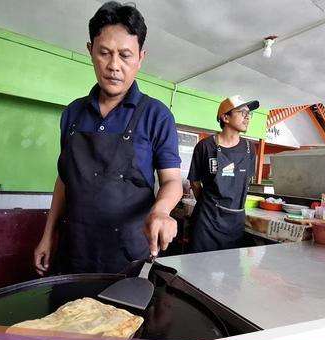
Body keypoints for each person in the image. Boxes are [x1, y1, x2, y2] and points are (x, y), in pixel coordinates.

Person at [34, 1, 182, 275]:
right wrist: (48, 234)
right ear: (90, 52)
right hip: (74, 251)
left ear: (141, 57)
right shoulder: (73, 114)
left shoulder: (156, 115)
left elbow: (172, 181)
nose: (114, 65)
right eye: (105, 53)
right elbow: (64, 180)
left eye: (125, 55)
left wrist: (161, 211)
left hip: (127, 256)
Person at [187, 95, 259, 253]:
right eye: (242, 112)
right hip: (207, 221)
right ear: (225, 117)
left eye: (249, 113)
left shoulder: (250, 149)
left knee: (230, 269)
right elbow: (194, 182)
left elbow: (245, 184)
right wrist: (211, 207)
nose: (247, 117)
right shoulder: (205, 147)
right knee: (200, 267)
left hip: (235, 221)